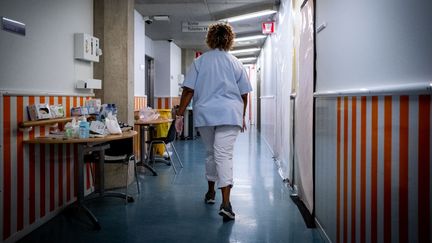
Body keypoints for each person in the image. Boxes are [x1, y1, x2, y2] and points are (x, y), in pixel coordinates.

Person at [175, 22, 252, 221]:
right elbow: (244, 94)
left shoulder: (200, 62)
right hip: (230, 114)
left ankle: (211, 193)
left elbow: (189, 90)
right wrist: (242, 115)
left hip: (206, 115)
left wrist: (179, 115)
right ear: (229, 40)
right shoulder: (236, 62)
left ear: (210, 39)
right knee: (223, 155)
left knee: (211, 153)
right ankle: (226, 204)